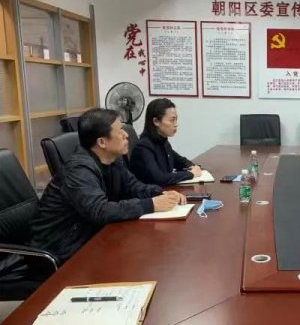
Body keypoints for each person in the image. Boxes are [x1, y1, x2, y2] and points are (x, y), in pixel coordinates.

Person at [30, 108, 186, 264]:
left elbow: (134, 187)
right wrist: (151, 204)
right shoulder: (79, 170)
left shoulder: (112, 159)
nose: (126, 135)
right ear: (102, 142)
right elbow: (100, 211)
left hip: (91, 239)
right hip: (61, 251)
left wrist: (161, 193)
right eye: (120, 132)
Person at [130, 98, 202, 186]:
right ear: (156, 121)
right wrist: (190, 174)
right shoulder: (143, 148)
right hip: (151, 193)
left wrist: (193, 167)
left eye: (176, 119)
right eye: (172, 120)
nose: (176, 124)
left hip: (165, 191)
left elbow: (181, 161)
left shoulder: (163, 142)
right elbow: (159, 178)